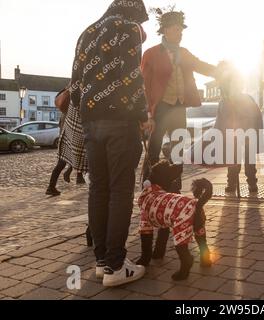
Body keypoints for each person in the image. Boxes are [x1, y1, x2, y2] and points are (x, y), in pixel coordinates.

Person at [70, 0, 150, 287]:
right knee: (120, 190)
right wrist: (143, 115)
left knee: (98, 189)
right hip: (121, 120)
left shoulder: (87, 32)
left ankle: (102, 261)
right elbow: (132, 77)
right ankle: (117, 265)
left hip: (92, 120)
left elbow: (75, 84)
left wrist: (89, 112)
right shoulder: (127, 28)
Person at [141, 9, 217, 193]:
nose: (180, 33)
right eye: (176, 29)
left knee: (178, 150)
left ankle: (175, 189)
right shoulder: (151, 54)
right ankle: (148, 189)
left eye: (181, 30)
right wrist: (148, 115)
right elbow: (143, 87)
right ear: (165, 30)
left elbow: (201, 66)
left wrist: (222, 70)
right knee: (154, 150)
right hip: (160, 108)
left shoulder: (184, 52)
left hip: (178, 108)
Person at [214, 62, 263, 194]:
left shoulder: (245, 99)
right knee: (234, 160)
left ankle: (250, 182)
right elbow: (220, 122)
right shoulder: (224, 102)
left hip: (247, 133)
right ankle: (235, 182)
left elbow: (256, 117)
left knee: (247, 160)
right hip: (234, 134)